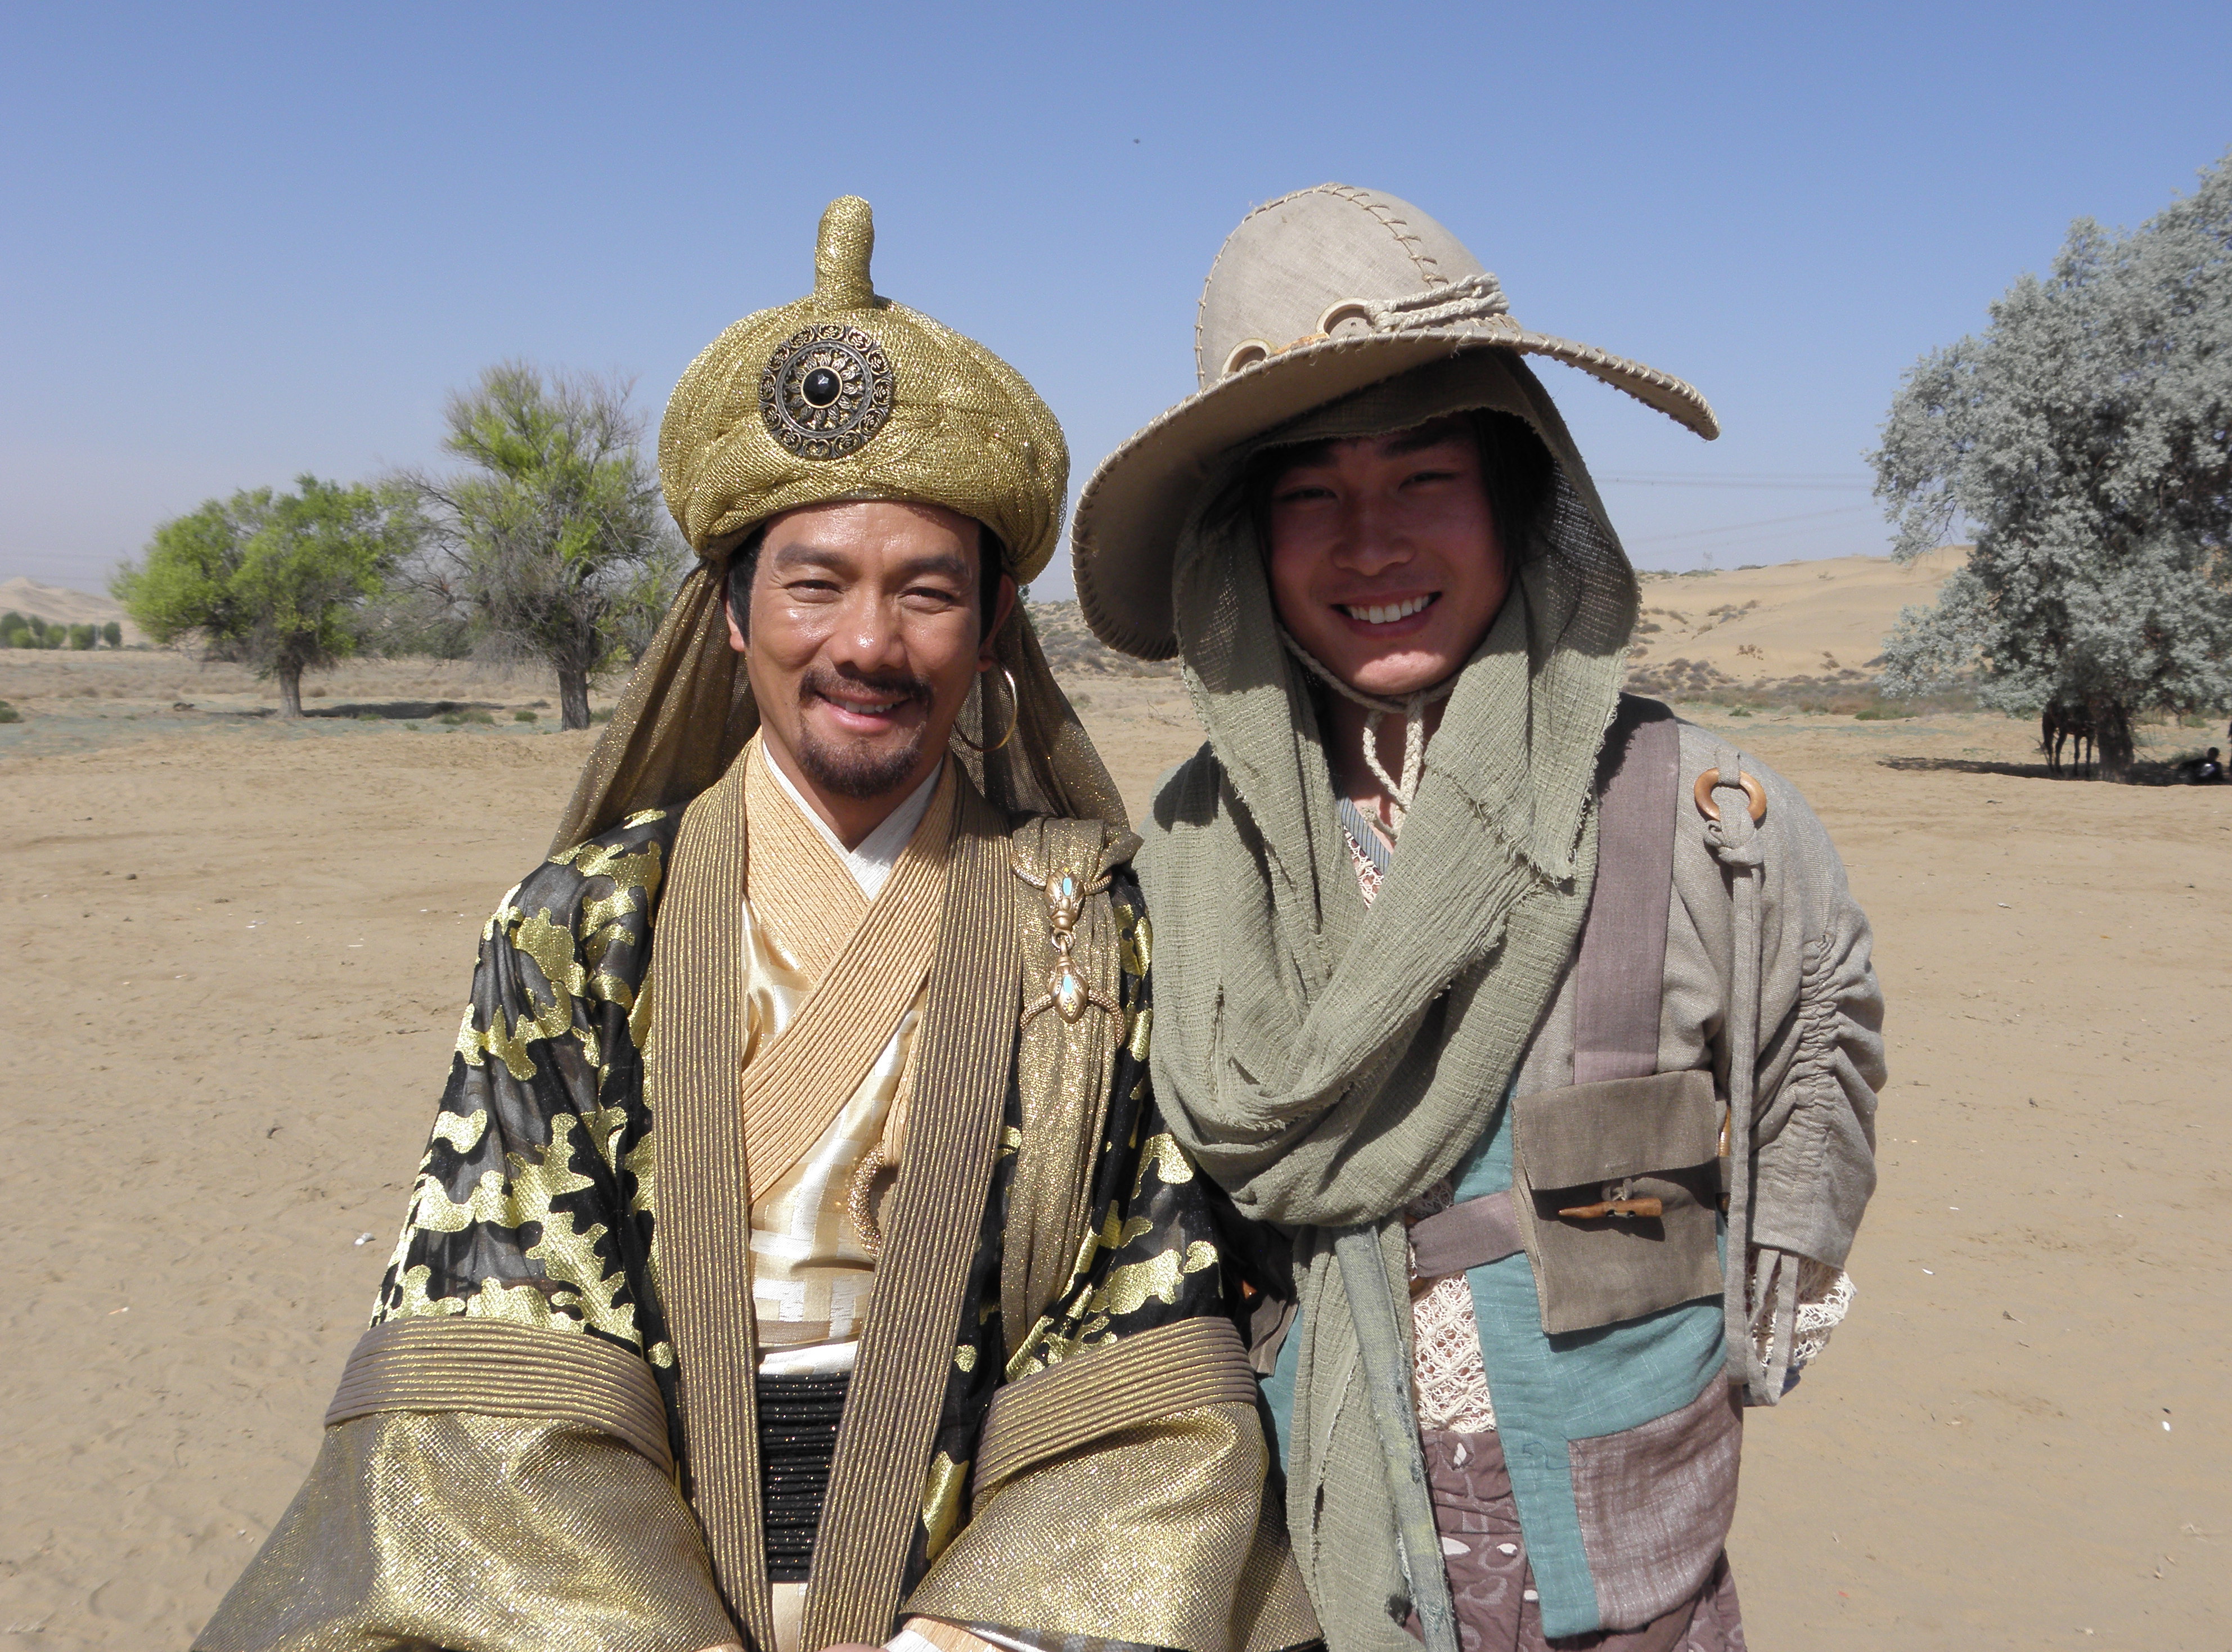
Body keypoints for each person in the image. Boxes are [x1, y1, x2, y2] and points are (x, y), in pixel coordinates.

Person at [199, 199, 1315, 1652]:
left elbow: (1147, 1339)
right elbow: (501, 1365)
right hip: (618, 1606)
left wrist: (968, 1637)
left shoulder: (1092, 934)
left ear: (990, 635)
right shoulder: (578, 931)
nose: (868, 641)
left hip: (993, 1615)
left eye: (926, 591)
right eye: (814, 583)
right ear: (730, 617)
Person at [1070, 184, 1886, 1652]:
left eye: (1423, 478)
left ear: (1523, 498)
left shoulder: (1709, 825)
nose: (1369, 544)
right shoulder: (1192, 861)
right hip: (1313, 1582)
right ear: (1243, 550)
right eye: (1309, 495)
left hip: (1636, 1583)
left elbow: (1803, 1121)